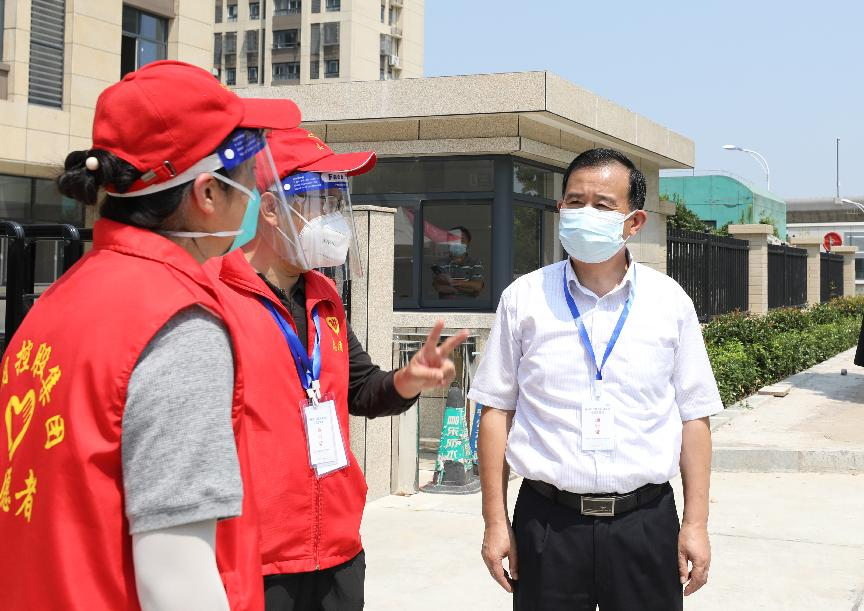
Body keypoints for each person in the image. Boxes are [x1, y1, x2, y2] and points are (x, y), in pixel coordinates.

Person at [0, 60, 300, 610]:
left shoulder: (59, 299)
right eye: (249, 176)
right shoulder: (178, 323)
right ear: (206, 194)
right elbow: (175, 577)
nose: (256, 192)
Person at [205, 127, 469, 611]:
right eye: (320, 202)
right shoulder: (213, 296)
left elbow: (359, 389)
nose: (334, 219)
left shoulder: (324, 297)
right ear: (270, 209)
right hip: (257, 558)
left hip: (337, 548)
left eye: (336, 202)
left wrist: (407, 379)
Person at [471, 148, 723, 611]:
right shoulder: (524, 298)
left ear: (634, 221)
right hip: (547, 524)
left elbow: (694, 417)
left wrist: (696, 523)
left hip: (645, 524)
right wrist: (495, 521)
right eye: (574, 201)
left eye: (602, 205)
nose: (584, 213)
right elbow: (496, 410)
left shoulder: (669, 302)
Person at [432, 226, 485, 300]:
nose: (457, 244)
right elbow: (439, 287)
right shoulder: (440, 263)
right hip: (445, 306)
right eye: (454, 241)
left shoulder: (475, 263)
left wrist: (451, 283)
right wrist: (468, 289)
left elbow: (477, 286)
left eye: (462, 241)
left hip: (469, 306)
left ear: (468, 243)